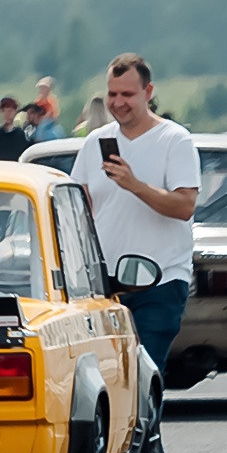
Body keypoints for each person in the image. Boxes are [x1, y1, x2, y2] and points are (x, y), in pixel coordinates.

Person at [74, 54, 200, 371]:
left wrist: (134, 185)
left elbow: (184, 206)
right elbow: (80, 211)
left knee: (143, 375)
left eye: (127, 94)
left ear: (148, 92)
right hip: (104, 285)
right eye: (112, 94)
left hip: (160, 281)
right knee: (107, 378)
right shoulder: (95, 143)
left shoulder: (174, 140)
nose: (118, 103)